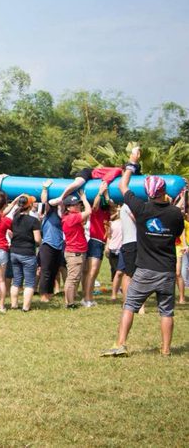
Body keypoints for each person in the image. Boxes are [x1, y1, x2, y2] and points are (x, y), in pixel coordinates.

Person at [102, 151, 183, 357]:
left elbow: (123, 186)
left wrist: (132, 162)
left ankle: (121, 344)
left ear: (147, 192)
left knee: (129, 305)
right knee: (166, 311)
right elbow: (177, 233)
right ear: (164, 191)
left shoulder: (141, 208)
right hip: (166, 270)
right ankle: (165, 350)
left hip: (145, 269)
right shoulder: (175, 213)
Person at [57, 191, 92, 308]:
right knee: (72, 279)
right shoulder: (72, 217)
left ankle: (70, 301)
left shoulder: (70, 217)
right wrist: (84, 198)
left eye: (78, 204)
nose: (78, 206)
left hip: (76, 252)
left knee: (73, 278)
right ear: (68, 207)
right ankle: (70, 303)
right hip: (75, 253)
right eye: (75, 205)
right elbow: (89, 211)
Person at [81, 181, 113, 307]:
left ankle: (88, 297)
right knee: (92, 271)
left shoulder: (108, 213)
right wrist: (100, 192)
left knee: (93, 272)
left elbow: (112, 205)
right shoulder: (96, 212)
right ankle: (87, 299)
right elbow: (94, 206)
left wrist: (106, 194)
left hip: (100, 243)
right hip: (94, 242)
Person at [9, 195, 42, 311]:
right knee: (29, 282)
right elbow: (37, 239)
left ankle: (14, 305)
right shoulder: (34, 221)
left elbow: (10, 233)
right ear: (30, 206)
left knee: (16, 280)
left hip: (14, 252)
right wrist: (40, 243)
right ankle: (25, 307)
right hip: (27, 253)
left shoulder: (14, 219)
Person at [38, 179, 65, 303]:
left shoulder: (62, 215)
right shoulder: (50, 213)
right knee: (46, 271)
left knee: (54, 271)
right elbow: (44, 202)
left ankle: (49, 293)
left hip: (59, 245)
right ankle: (43, 294)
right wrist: (45, 189)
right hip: (48, 245)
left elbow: (62, 206)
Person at [106, 207, 124, 300]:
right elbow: (108, 236)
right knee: (114, 270)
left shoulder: (125, 223)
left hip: (122, 249)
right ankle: (115, 291)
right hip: (112, 249)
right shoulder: (111, 223)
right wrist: (107, 246)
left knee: (120, 271)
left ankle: (121, 289)